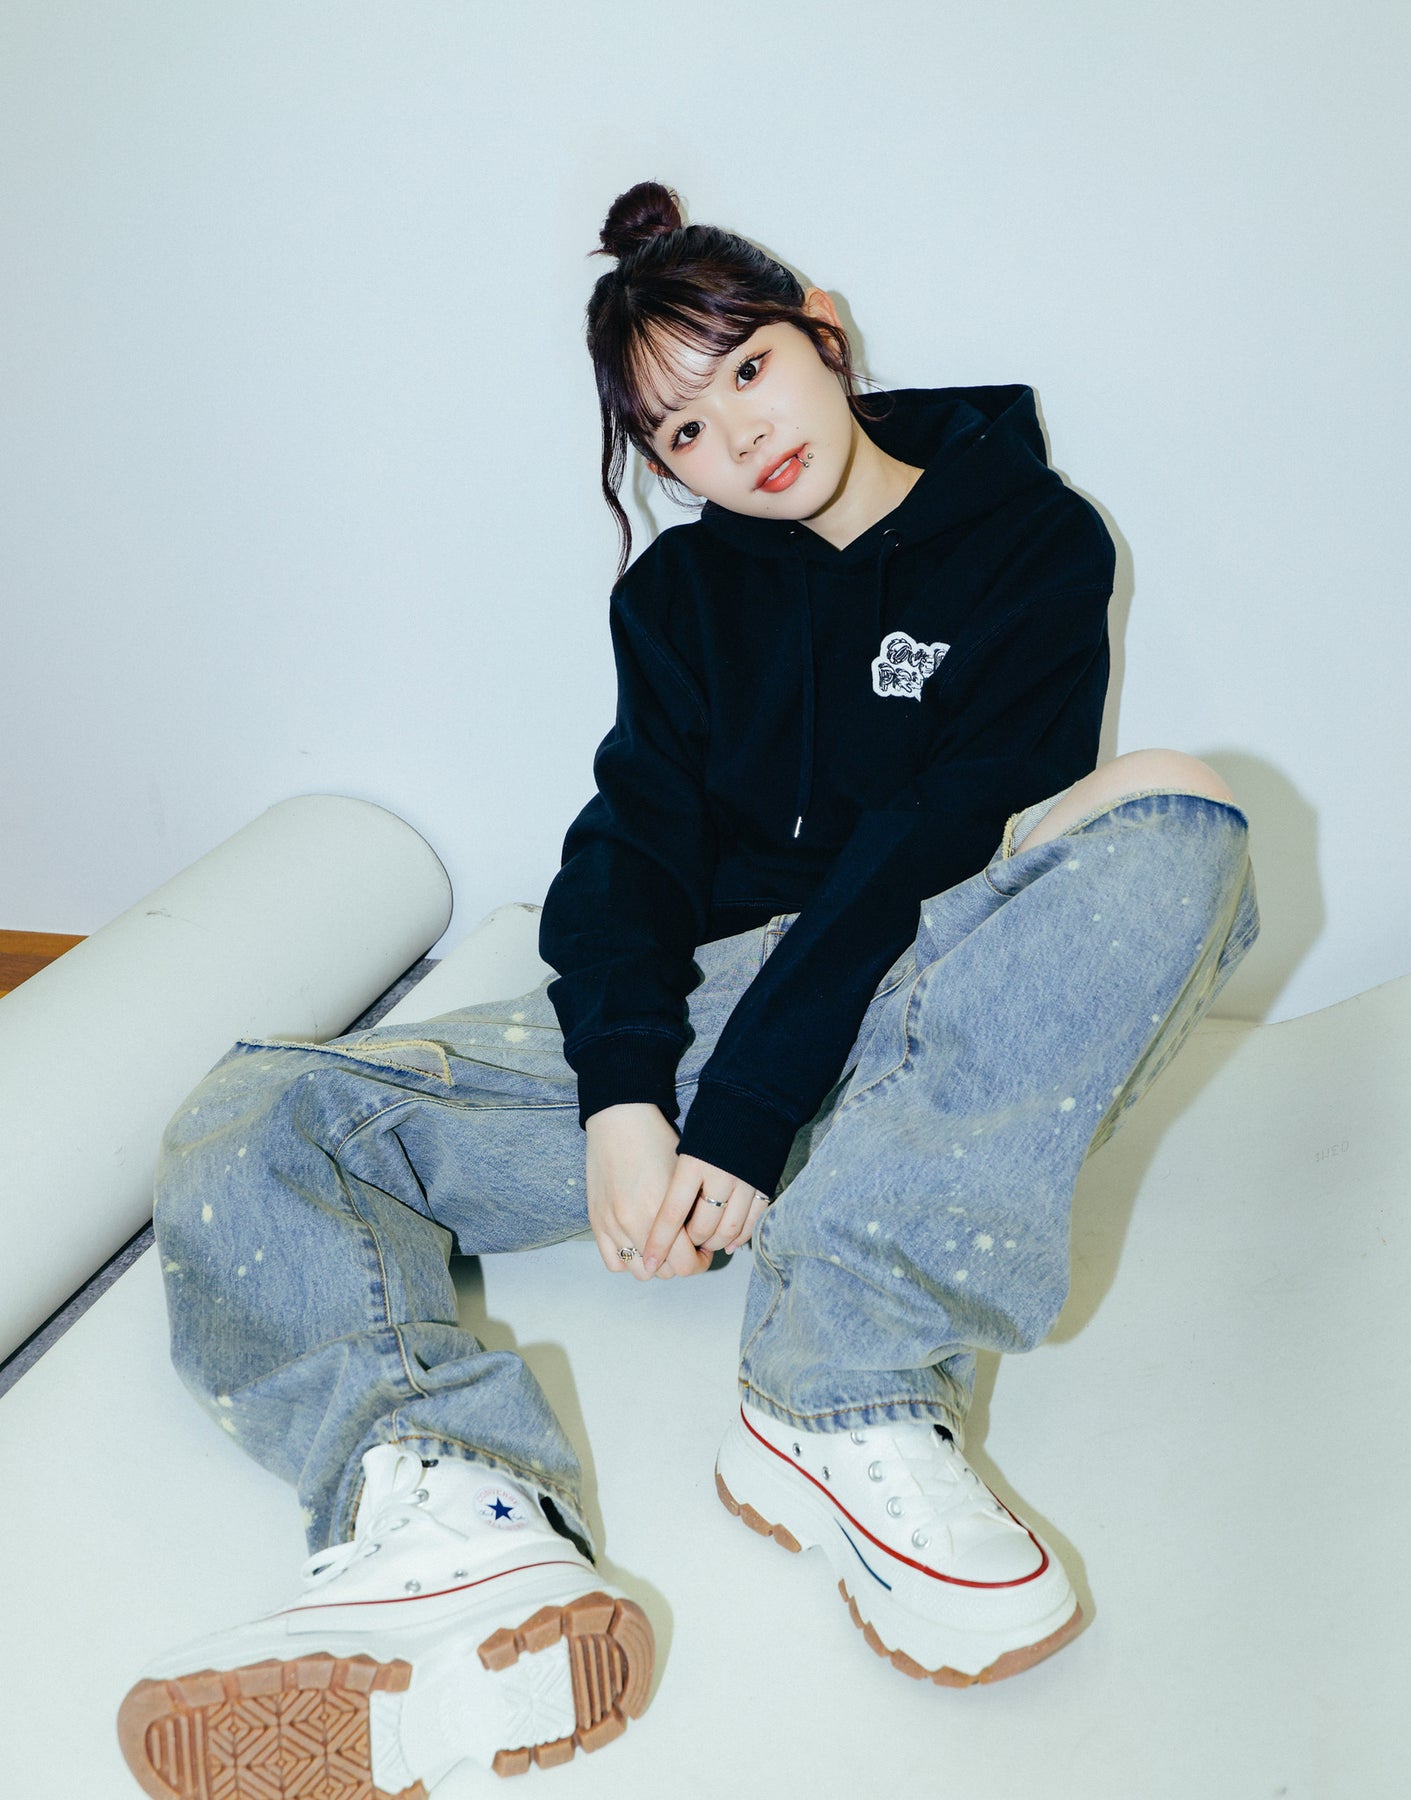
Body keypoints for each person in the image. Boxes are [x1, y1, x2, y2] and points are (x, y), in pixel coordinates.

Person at [119, 181, 1258, 1795]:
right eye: (681, 430)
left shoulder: (1032, 541)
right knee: (259, 1112)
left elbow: (934, 839)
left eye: (747, 370)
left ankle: (842, 1390)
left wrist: (743, 1117)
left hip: (923, 1002)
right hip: (722, 1018)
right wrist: (627, 1100)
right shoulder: (677, 600)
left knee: (1173, 805)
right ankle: (454, 1503)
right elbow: (631, 854)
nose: (737, 437)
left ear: (824, 335)